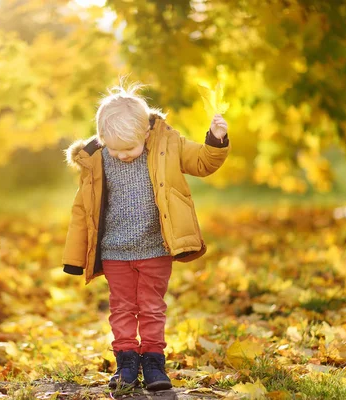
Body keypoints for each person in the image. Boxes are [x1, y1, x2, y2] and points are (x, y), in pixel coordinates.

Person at [62, 83, 229, 391]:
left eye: (129, 149)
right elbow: (81, 210)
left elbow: (203, 163)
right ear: (102, 140)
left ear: (145, 134)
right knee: (122, 307)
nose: (122, 155)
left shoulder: (168, 145)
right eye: (115, 149)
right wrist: (74, 257)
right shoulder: (97, 160)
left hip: (155, 248)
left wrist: (216, 140)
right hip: (114, 252)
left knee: (151, 306)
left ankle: (153, 362)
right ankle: (125, 363)